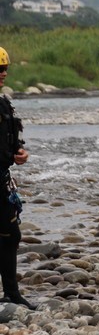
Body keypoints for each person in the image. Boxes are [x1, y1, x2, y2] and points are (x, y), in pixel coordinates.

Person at [0, 47, 35, 309]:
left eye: (5, 69)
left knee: (11, 235)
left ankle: (12, 294)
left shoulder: (3, 103)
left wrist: (18, 152)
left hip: (1, 178)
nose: (3, 74)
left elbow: (10, 139)